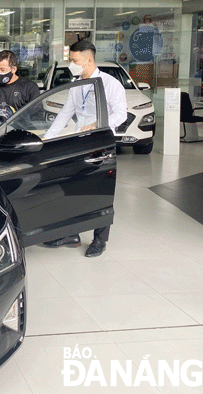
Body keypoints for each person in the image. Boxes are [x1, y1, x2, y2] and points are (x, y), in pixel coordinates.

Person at [42, 40, 127, 257]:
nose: (71, 64)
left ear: (88, 60)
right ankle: (72, 234)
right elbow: (65, 113)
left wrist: (99, 123)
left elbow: (121, 114)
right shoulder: (76, 84)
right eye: (70, 59)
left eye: (74, 60)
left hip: (101, 143)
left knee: (100, 191)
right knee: (74, 188)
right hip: (79, 142)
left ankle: (100, 240)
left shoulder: (110, 84)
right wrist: (47, 138)